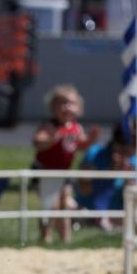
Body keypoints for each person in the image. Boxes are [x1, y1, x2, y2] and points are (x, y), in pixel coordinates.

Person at [31, 84, 99, 243]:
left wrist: (90, 140)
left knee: (65, 205)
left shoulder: (75, 128)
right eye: (63, 103)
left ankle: (65, 238)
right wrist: (51, 139)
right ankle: (45, 236)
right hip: (45, 172)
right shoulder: (50, 126)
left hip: (64, 172)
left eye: (72, 104)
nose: (67, 108)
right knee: (52, 206)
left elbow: (81, 145)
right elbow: (37, 141)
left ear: (79, 108)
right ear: (53, 107)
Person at [76, 123, 137, 230]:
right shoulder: (95, 154)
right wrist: (110, 170)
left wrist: (128, 178)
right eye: (122, 141)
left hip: (120, 215)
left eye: (134, 142)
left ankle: (135, 229)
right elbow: (84, 190)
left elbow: (136, 198)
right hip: (89, 211)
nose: (128, 147)